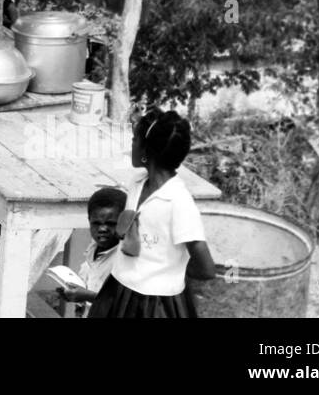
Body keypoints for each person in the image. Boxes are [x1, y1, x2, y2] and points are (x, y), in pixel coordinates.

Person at [89, 109, 216, 318]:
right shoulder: (137, 183)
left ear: (146, 149)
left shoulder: (179, 202)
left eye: (134, 139)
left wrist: (170, 270)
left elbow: (206, 268)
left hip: (157, 305)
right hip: (120, 291)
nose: (131, 146)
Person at [56, 186, 127, 317]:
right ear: (89, 221)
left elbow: (129, 305)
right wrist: (73, 295)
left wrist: (87, 296)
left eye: (110, 223)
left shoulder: (127, 257)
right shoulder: (92, 250)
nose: (102, 229)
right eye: (96, 223)